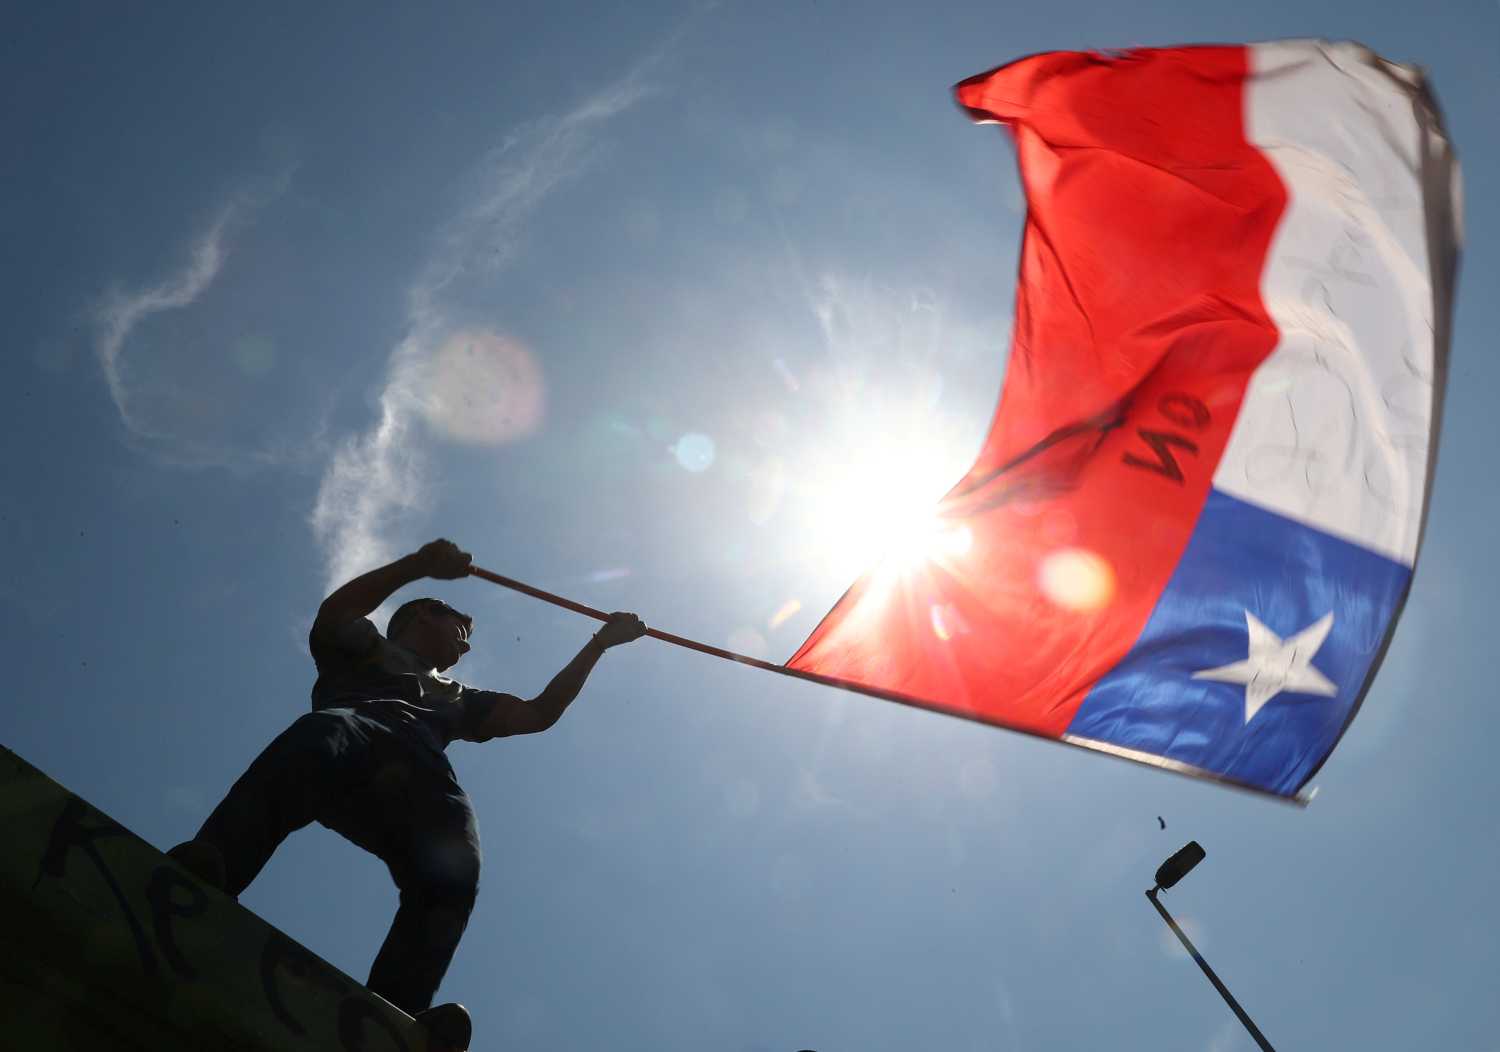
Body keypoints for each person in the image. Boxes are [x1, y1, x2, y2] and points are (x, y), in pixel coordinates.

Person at [168, 538, 645, 1051]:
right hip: (357, 731)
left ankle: (395, 1008)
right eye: (460, 628)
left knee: (456, 862)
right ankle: (212, 868)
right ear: (422, 617)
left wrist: (599, 644)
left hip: (419, 774)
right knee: (318, 739)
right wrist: (418, 566)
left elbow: (539, 712)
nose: (467, 644)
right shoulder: (367, 646)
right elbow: (336, 613)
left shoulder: (460, 699)